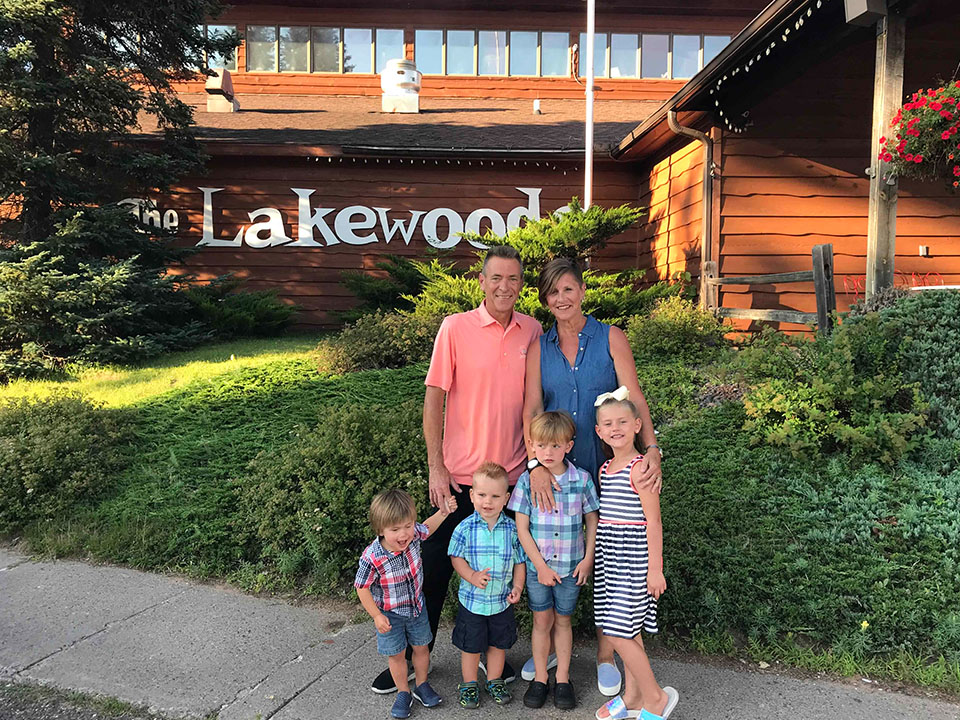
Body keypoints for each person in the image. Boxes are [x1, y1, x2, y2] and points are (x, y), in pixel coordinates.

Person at [371, 244, 541, 693]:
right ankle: (406, 660)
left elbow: (534, 405)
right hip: (460, 481)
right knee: (430, 571)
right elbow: (434, 399)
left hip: (511, 483)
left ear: (521, 285)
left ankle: (489, 657)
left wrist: (536, 465)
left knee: (503, 571)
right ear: (481, 282)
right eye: (496, 278)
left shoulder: (533, 331)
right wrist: (436, 465)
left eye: (514, 279)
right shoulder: (455, 328)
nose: (505, 287)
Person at [521, 257, 663, 696]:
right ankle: (544, 648)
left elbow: (634, 397)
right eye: (552, 292)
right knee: (551, 553)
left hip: (609, 468)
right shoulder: (538, 347)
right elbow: (531, 408)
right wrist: (533, 465)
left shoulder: (610, 337)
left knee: (608, 564)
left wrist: (652, 449)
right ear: (545, 299)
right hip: (557, 473)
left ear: (582, 290)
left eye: (568, 289)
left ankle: (606, 655)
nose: (561, 299)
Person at [592, 390, 678, 720]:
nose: (616, 428)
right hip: (610, 558)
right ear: (599, 431)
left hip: (634, 558)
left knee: (617, 632)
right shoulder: (604, 469)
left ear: (637, 425)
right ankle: (632, 697)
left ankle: (655, 698)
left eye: (623, 422)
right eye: (608, 423)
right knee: (630, 630)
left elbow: (653, 521)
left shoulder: (640, 468)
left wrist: (654, 569)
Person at [507, 411, 599, 710]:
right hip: (538, 569)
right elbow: (522, 528)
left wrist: (587, 560)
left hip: (571, 568)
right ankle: (540, 678)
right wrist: (541, 567)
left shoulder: (582, 480)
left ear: (568, 446)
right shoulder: (525, 482)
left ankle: (562, 678)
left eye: (555, 446)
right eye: (542, 446)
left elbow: (592, 521)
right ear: (532, 446)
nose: (548, 452)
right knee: (541, 621)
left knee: (563, 621)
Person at [354, 489, 458, 719]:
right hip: (390, 615)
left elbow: (428, 527)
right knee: (397, 655)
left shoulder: (413, 536)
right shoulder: (372, 557)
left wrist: (444, 512)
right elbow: (362, 587)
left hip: (417, 609)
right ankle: (403, 692)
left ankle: (422, 684)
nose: (404, 534)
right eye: (395, 530)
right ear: (380, 529)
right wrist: (376, 616)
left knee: (421, 648)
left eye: (408, 526)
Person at [448, 462, 527, 709]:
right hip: (473, 601)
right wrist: (471, 575)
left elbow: (520, 561)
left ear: (506, 498)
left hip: (501, 601)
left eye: (495, 496)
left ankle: (495, 679)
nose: (487, 501)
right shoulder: (464, 528)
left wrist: (518, 587)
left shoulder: (512, 530)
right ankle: (469, 683)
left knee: (498, 644)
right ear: (472, 496)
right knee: (471, 646)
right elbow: (455, 556)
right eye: (482, 495)